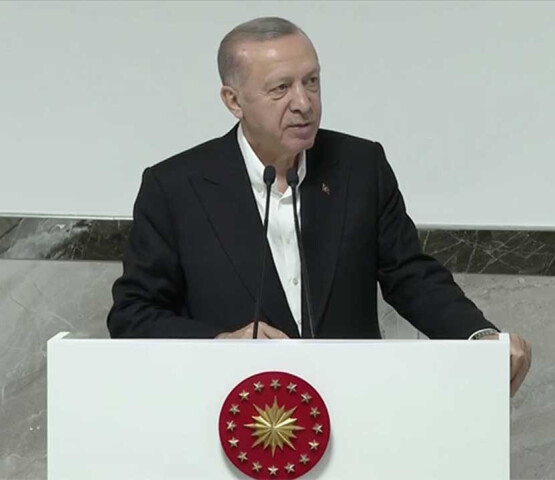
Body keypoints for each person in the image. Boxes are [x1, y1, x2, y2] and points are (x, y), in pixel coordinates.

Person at [107, 17, 531, 396]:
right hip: (233, 415)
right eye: (281, 88)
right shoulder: (175, 187)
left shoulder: (360, 167)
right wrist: (220, 344)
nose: (304, 103)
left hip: (353, 405)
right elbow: (132, 315)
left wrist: (477, 338)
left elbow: (410, 276)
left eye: (311, 81)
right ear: (234, 101)